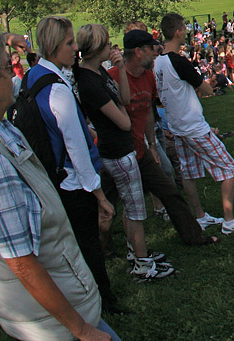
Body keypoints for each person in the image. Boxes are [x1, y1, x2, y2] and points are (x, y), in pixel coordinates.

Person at [0, 18, 122, 341]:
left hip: (34, 309)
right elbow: (22, 262)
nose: (13, 75)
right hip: (56, 319)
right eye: (5, 67)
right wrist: (82, 331)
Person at [26, 16, 122, 311]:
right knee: (88, 244)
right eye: (69, 43)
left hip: (50, 174)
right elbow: (77, 149)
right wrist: (99, 195)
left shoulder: (33, 76)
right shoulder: (58, 90)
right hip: (71, 181)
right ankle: (102, 299)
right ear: (54, 45)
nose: (75, 48)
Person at [73, 24, 173, 282]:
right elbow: (125, 122)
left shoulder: (101, 72)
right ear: (97, 47)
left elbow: (125, 101)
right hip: (117, 151)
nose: (112, 48)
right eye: (107, 44)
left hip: (122, 148)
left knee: (132, 208)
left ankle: (136, 253)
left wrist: (120, 72)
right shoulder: (89, 82)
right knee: (136, 211)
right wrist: (121, 109)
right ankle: (142, 265)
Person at [106, 29, 216, 249]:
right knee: (107, 206)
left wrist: (152, 145)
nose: (156, 51)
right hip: (115, 154)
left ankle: (194, 237)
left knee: (170, 192)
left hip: (140, 150)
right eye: (151, 48)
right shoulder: (112, 78)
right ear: (139, 52)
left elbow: (148, 111)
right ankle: (105, 248)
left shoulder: (148, 76)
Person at [154, 14, 234, 236]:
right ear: (177, 32)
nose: (185, 32)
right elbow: (207, 89)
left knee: (188, 173)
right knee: (229, 169)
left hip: (177, 126)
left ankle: (200, 217)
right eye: (183, 29)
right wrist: (207, 84)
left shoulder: (157, 63)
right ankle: (229, 221)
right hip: (193, 127)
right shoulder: (177, 61)